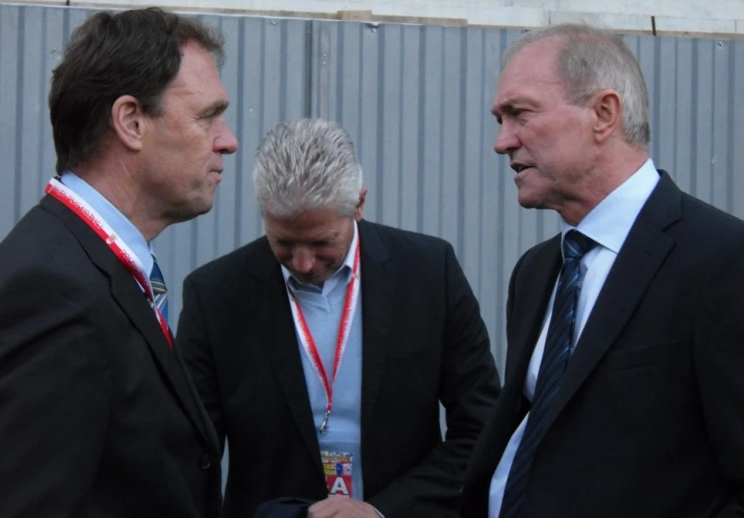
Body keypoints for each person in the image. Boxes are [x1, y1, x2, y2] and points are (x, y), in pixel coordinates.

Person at [0, 8, 238, 517]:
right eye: (206, 116)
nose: (228, 140)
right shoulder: (50, 295)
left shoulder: (85, 266)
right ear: (131, 121)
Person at [460, 23, 744, 518]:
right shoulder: (536, 271)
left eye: (519, 114)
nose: (501, 142)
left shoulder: (722, 260)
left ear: (603, 114)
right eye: (499, 120)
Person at [176, 118, 501, 518]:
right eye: (283, 241)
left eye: (321, 241)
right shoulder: (215, 296)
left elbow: (482, 427)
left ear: (359, 204)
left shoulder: (431, 274)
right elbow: (188, 455)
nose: (303, 262)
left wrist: (384, 511)